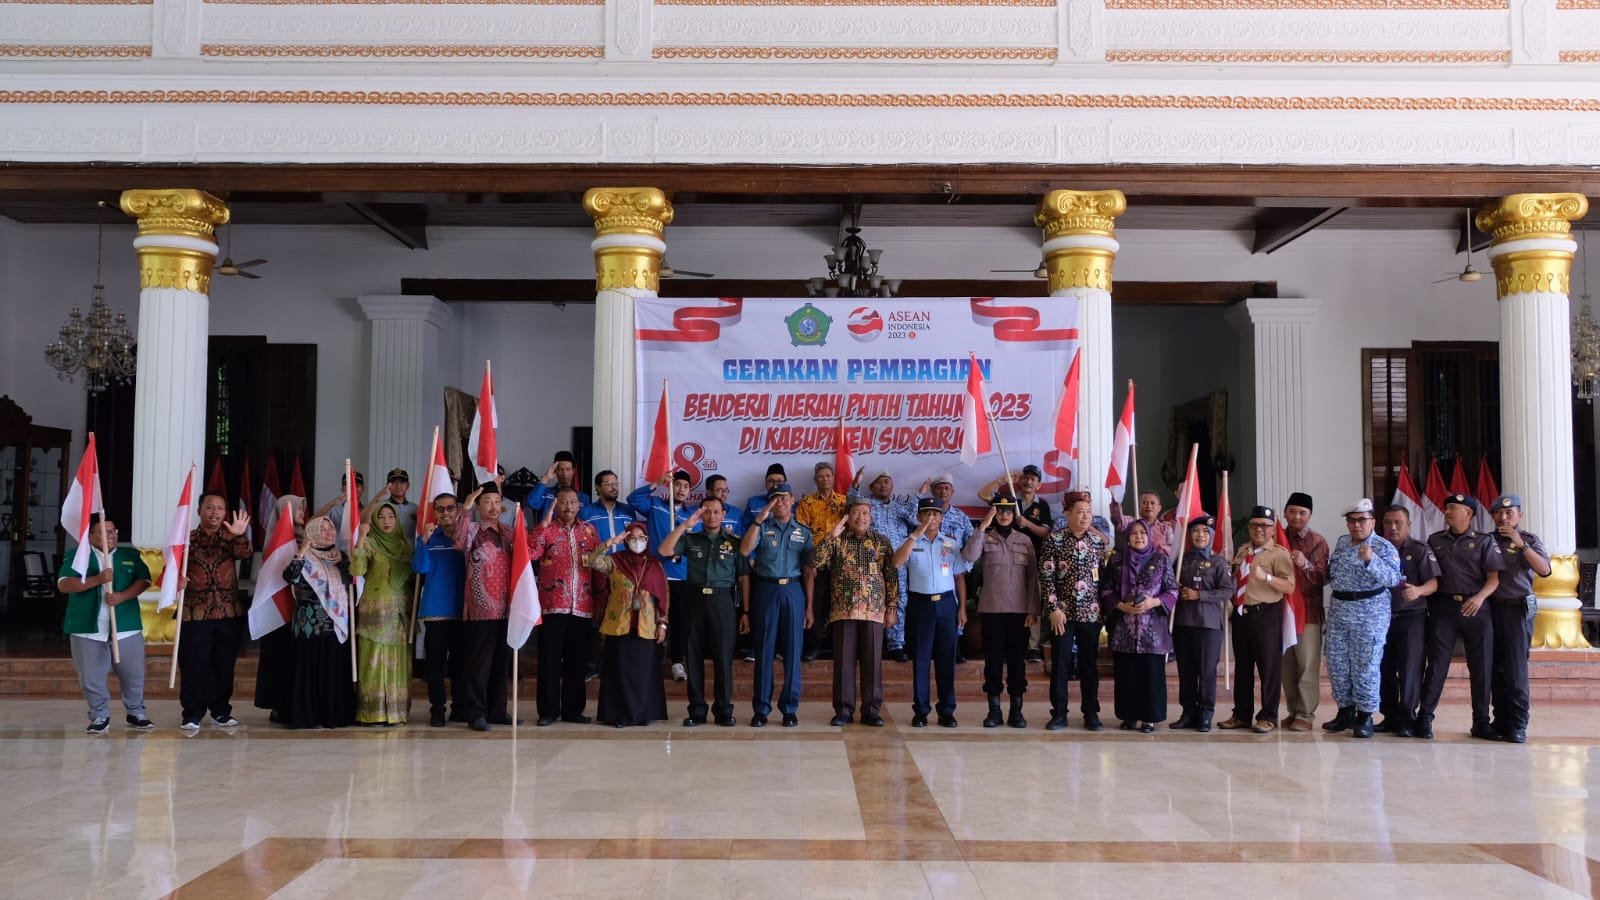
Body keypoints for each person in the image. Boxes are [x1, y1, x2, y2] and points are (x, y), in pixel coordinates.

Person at [1416, 493, 1503, 741]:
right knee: (1436, 666)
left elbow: (1494, 578)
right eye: (1446, 508)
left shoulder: (1484, 542)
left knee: (1481, 667)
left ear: (1469, 514)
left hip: (1476, 608)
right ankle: (1425, 718)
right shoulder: (1434, 540)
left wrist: (1479, 598)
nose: (1447, 512)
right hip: (1444, 608)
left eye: (1453, 508)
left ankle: (1481, 722)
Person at [57, 516, 153, 734]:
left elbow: (144, 580)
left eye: (113, 531)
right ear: (90, 536)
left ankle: (136, 711)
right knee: (91, 677)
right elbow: (64, 584)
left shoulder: (130, 555)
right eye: (104, 531)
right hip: (87, 630)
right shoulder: (78, 556)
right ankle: (99, 715)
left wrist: (122, 597)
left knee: (133, 673)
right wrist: (97, 580)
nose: (111, 535)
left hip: (126, 627)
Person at [660, 497, 750, 726]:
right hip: (695, 600)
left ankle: (724, 711)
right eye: (707, 512)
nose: (712, 516)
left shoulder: (734, 542)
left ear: (723, 514)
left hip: (723, 602)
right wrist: (684, 525)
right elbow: (664, 549)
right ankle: (697, 711)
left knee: (723, 658)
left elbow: (743, 577)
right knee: (694, 656)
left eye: (716, 511)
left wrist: (746, 611)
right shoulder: (691, 539)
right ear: (701, 515)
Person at [810, 499, 900, 726]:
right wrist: (831, 536)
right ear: (847, 516)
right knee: (843, 663)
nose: (861, 517)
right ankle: (843, 710)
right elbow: (814, 562)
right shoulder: (837, 540)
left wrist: (891, 608)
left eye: (865, 513)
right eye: (856, 513)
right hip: (843, 611)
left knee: (872, 663)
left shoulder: (881, 542)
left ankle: (871, 710)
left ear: (871, 518)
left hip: (873, 612)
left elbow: (891, 576)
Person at [1321, 498, 1402, 739]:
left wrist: (1371, 561)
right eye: (1352, 521)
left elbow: (1394, 579)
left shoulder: (1384, 547)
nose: (1357, 525)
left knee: (1365, 666)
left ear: (1373, 522)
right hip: (1339, 610)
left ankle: (1365, 716)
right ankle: (1345, 711)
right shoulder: (1343, 543)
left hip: (1369, 612)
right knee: (1336, 664)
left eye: (1362, 520)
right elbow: (1333, 573)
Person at [739, 482, 814, 727]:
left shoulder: (803, 531)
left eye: (784, 498)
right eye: (775, 499)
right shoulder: (761, 527)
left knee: (793, 652)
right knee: (764, 651)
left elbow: (808, 572)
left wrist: (809, 606)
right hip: (766, 590)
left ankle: (789, 709)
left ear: (792, 500)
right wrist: (759, 520)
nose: (780, 502)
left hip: (793, 590)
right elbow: (744, 550)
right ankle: (761, 709)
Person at [176, 493, 252, 731]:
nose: (215, 512)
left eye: (220, 508)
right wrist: (177, 580)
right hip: (194, 613)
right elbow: (170, 570)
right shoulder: (186, 540)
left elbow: (244, 553)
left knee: (223, 665)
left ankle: (221, 711)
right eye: (210, 507)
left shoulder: (232, 539)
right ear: (200, 510)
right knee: (193, 665)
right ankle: (192, 713)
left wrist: (239, 535)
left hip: (228, 612)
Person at [962, 495, 1038, 728]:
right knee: (993, 660)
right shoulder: (986, 538)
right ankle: (994, 710)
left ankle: (1016, 710)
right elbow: (968, 556)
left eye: (1008, 511)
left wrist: (1033, 609)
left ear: (1014, 514)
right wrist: (983, 526)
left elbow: (1033, 578)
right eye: (1000, 510)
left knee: (1017, 661)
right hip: (993, 610)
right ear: (994, 513)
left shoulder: (1024, 540)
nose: (1004, 515)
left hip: (1018, 612)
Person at [1219, 505, 1296, 734]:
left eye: (1264, 525)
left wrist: (1267, 577)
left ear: (1273, 529)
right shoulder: (1242, 551)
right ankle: (1241, 714)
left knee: (1269, 669)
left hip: (1266, 614)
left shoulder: (1279, 554)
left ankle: (1269, 716)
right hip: (1242, 614)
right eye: (1254, 525)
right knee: (1242, 668)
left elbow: (1289, 587)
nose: (1259, 530)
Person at [529, 487, 602, 726]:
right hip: (552, 605)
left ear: (579, 505)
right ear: (555, 505)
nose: (568, 506)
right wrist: (542, 525)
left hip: (582, 605)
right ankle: (548, 711)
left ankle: (573, 709)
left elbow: (600, 565)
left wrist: (601, 599)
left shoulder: (590, 531)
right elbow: (530, 553)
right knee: (549, 660)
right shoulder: (546, 530)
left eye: (573, 502)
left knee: (577, 661)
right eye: (563, 502)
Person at [892, 498, 966, 728]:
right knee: (921, 660)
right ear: (919, 517)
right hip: (920, 605)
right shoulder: (911, 542)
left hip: (946, 604)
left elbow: (959, 577)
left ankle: (947, 711)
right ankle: (921, 710)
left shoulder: (950, 544)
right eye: (926, 514)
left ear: (942, 518)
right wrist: (915, 535)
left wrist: (962, 607)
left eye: (935, 514)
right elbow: (896, 562)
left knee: (946, 660)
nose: (931, 518)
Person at [1038, 490, 1108, 731]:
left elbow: (1104, 581)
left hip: (1091, 614)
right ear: (1067, 514)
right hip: (1063, 614)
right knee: (1061, 664)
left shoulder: (1098, 543)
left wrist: (1105, 613)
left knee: (1090, 665)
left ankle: (1091, 713)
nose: (1085, 516)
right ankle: (1059, 713)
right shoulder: (1053, 541)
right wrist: (1054, 609)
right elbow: (1046, 578)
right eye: (1080, 512)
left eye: (1088, 512)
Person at [589, 522, 670, 727]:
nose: (637, 542)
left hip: (646, 626)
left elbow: (664, 596)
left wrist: (662, 623)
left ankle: (642, 714)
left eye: (641, 538)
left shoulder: (654, 566)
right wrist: (609, 543)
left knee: (643, 673)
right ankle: (621, 714)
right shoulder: (615, 562)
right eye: (632, 538)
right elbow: (592, 561)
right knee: (621, 672)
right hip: (620, 626)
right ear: (626, 540)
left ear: (647, 540)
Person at [280, 515, 357, 729]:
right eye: (322, 529)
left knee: (332, 670)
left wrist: (345, 562)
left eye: (331, 528)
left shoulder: (339, 556)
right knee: (309, 671)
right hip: (309, 625)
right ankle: (308, 716)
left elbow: (353, 580)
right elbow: (290, 577)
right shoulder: (305, 556)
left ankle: (332, 715)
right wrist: (303, 551)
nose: (329, 532)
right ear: (312, 533)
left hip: (335, 623)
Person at [1100, 519, 1176, 732]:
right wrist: (1121, 606)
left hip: (1153, 630)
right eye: (1134, 533)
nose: (1139, 537)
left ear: (1149, 535)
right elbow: (1105, 589)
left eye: (1143, 532)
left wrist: (1153, 602)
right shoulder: (1116, 560)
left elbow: (1172, 590)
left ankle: (1149, 718)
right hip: (1124, 628)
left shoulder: (1160, 559)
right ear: (1127, 537)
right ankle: (1128, 716)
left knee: (1151, 675)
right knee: (1127, 674)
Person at [454, 482, 516, 732]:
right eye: (487, 501)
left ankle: (497, 710)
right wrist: (465, 509)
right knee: (479, 664)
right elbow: (458, 542)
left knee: (502, 663)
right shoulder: (471, 530)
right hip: (480, 609)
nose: (493, 506)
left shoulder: (509, 532)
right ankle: (476, 712)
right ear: (479, 506)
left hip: (507, 608)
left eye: (497, 501)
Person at [1486, 493, 1549, 744]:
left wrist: (1520, 543)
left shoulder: (1530, 540)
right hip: (1491, 608)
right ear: (1492, 516)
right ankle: (1500, 721)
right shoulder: (1486, 541)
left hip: (1517, 610)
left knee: (1515, 669)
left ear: (1519, 515)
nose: (1503, 517)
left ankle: (1518, 724)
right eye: (1499, 513)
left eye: (1509, 513)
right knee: (1495, 669)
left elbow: (1544, 570)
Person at [1376, 504, 1440, 737]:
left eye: (1398, 523)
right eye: (1388, 523)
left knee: (1410, 669)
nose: (1393, 528)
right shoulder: (1377, 550)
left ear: (1409, 525)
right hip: (1381, 618)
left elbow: (1434, 583)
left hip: (1411, 618)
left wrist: (1419, 591)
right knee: (1384, 667)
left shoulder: (1420, 549)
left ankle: (1407, 717)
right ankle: (1389, 716)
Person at [978, 464, 1052, 661]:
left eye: (1033, 479)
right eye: (1025, 478)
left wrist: (1026, 523)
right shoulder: (1009, 500)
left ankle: (1033, 647)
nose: (1028, 482)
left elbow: (1046, 533)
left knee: (1033, 600)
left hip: (1032, 559)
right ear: (1019, 481)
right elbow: (983, 494)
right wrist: (1002, 480)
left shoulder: (1041, 505)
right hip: (1004, 558)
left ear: (1039, 484)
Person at [350, 502, 413, 726]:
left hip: (399, 615)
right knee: (373, 661)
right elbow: (356, 571)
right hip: (374, 613)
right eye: (382, 517)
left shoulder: (406, 548)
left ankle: (396, 713)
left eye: (391, 517)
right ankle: (371, 713)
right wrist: (360, 539)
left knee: (396, 662)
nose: (386, 521)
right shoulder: (370, 543)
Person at [629, 470, 695, 680]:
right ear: (670, 487)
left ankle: (677, 662)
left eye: (686, 486)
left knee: (681, 620)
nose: (682, 489)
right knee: (652, 618)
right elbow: (634, 499)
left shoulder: (691, 515)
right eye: (678, 485)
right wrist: (657, 481)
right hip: (655, 574)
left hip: (682, 575)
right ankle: (651, 660)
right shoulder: (656, 505)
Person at [413, 491, 467, 727]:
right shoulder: (429, 538)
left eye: (450, 508)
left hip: (462, 610)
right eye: (441, 509)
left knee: (460, 665)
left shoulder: (466, 537)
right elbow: (420, 568)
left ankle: (459, 708)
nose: (446, 513)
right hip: (435, 611)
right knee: (435, 666)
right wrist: (423, 542)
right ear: (434, 513)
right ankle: (437, 710)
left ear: (457, 510)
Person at [1172, 515, 1231, 732]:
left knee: (1206, 671)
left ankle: (1206, 713)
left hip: (1209, 625)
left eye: (1205, 532)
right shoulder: (1181, 560)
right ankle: (1188, 712)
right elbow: (1169, 585)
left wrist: (1200, 595)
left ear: (1212, 536)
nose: (1200, 535)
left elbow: (1227, 590)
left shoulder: (1219, 562)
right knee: (1186, 671)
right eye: (1196, 531)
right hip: (1183, 622)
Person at [853, 470, 919, 662]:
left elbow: (916, 522)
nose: (883, 485)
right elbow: (852, 503)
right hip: (871, 563)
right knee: (869, 600)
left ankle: (895, 644)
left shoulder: (900, 508)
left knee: (898, 601)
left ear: (892, 486)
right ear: (872, 487)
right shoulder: (866, 505)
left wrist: (920, 494)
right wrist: (855, 484)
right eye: (879, 482)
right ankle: (870, 644)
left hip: (897, 564)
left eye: (887, 482)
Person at [1279, 491, 1329, 731]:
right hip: (1282, 610)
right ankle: (1292, 710)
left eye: (1302, 513)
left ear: (1310, 515)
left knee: (1307, 664)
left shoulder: (1317, 541)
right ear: (1285, 512)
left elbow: (1322, 578)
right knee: (1286, 666)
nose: (1296, 516)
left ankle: (1306, 715)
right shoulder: (1277, 538)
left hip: (1308, 611)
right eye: (1292, 511)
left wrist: (1304, 564)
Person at [254, 494, 306, 721]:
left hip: (300, 609)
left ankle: (293, 703)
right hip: (278, 611)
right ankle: (277, 705)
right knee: (277, 659)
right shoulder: (278, 540)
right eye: (298, 509)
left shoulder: (305, 537)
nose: (303, 513)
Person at [797, 461, 848, 660]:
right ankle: (813, 646)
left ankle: (840, 647)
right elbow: (801, 533)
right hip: (815, 563)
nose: (825, 479)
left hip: (840, 562)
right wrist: (811, 562)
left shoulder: (844, 502)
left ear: (833, 477)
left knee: (839, 604)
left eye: (828, 475)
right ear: (815, 479)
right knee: (814, 604)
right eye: (821, 476)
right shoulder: (807, 503)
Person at [528, 450, 591, 520]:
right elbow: (533, 504)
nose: (565, 474)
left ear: (573, 471)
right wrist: (546, 478)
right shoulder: (546, 493)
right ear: (555, 471)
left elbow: (585, 522)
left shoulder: (583, 498)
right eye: (561, 469)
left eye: (568, 469)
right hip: (548, 530)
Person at [582, 470, 637, 550]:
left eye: (616, 484)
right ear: (598, 487)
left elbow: (634, 538)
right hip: (599, 560)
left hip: (623, 561)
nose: (614, 487)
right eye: (609, 484)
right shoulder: (586, 512)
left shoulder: (628, 510)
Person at [1111, 490, 1175, 556]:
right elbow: (1117, 519)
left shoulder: (1165, 528)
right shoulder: (1131, 522)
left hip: (1157, 564)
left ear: (1159, 508)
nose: (1149, 506)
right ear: (1138, 507)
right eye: (1144, 503)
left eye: (1152, 503)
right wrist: (1116, 498)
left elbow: (1172, 549)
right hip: (1133, 563)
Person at [316, 469, 365, 550]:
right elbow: (312, 524)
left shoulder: (367, 511)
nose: (353, 489)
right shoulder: (333, 511)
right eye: (349, 486)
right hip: (338, 557)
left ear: (363, 488)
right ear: (342, 489)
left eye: (357, 486)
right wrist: (332, 503)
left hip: (360, 558)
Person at [740, 464, 788, 532]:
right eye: (771, 481)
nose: (775, 485)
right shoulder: (753, 502)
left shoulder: (791, 504)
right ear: (766, 483)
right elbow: (745, 529)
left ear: (785, 483)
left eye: (779, 481)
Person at [381, 468, 418, 537]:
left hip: (409, 547)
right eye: (394, 483)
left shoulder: (416, 509)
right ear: (387, 486)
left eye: (402, 482)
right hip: (386, 547)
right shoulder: (380, 507)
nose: (398, 486)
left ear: (408, 485)